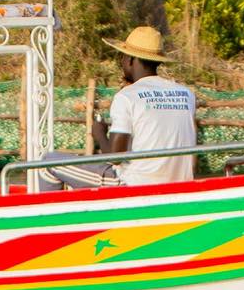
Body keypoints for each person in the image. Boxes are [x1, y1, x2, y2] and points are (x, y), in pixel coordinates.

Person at [52, 25, 196, 188]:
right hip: (179, 184)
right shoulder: (185, 94)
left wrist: (99, 134)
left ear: (130, 60)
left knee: (47, 163)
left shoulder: (127, 96)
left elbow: (115, 157)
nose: (121, 61)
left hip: (132, 184)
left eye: (122, 56)